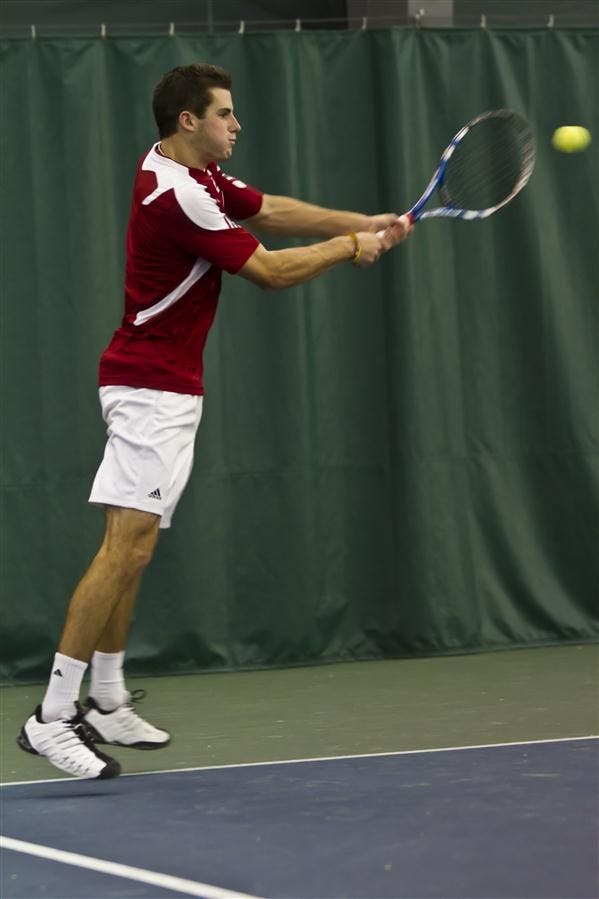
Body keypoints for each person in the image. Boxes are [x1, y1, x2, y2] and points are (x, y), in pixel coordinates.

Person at [18, 63, 412, 779]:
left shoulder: (192, 173)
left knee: (135, 549)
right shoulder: (179, 194)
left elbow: (273, 210)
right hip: (147, 390)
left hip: (168, 390)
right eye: (224, 114)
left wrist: (362, 222)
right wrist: (350, 249)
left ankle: (106, 697)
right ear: (188, 120)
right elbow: (271, 271)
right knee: (122, 549)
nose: (236, 125)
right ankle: (50, 715)